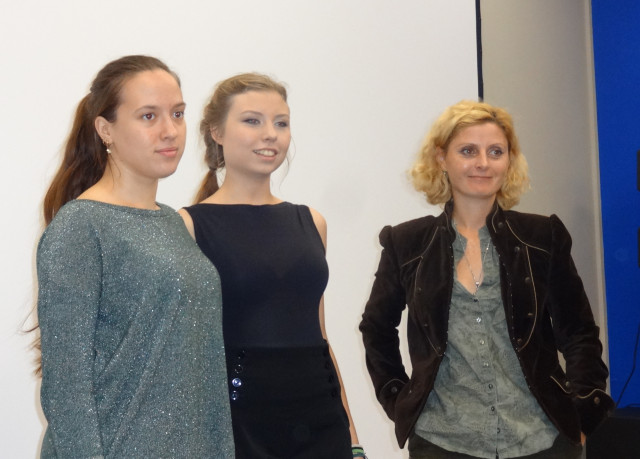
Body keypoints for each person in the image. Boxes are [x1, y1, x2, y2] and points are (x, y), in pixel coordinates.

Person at [359, 100, 614, 458]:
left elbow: (579, 332)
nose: (483, 162)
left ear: (509, 161)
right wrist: (399, 399)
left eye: (496, 151)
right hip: (442, 442)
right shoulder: (406, 243)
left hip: (542, 439)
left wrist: (584, 412)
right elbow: (376, 329)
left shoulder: (543, 237)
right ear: (441, 158)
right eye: (468, 151)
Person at [36, 55, 234, 458]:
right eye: (148, 116)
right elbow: (67, 388)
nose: (170, 130)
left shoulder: (172, 223)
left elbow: (203, 375)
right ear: (105, 129)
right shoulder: (81, 226)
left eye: (177, 113)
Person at [179, 73, 365, 459]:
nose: (270, 134)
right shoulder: (188, 226)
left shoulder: (311, 221)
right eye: (252, 121)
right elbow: (184, 351)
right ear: (216, 131)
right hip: (238, 423)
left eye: (281, 123)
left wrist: (352, 435)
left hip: (320, 417)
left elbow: (320, 336)